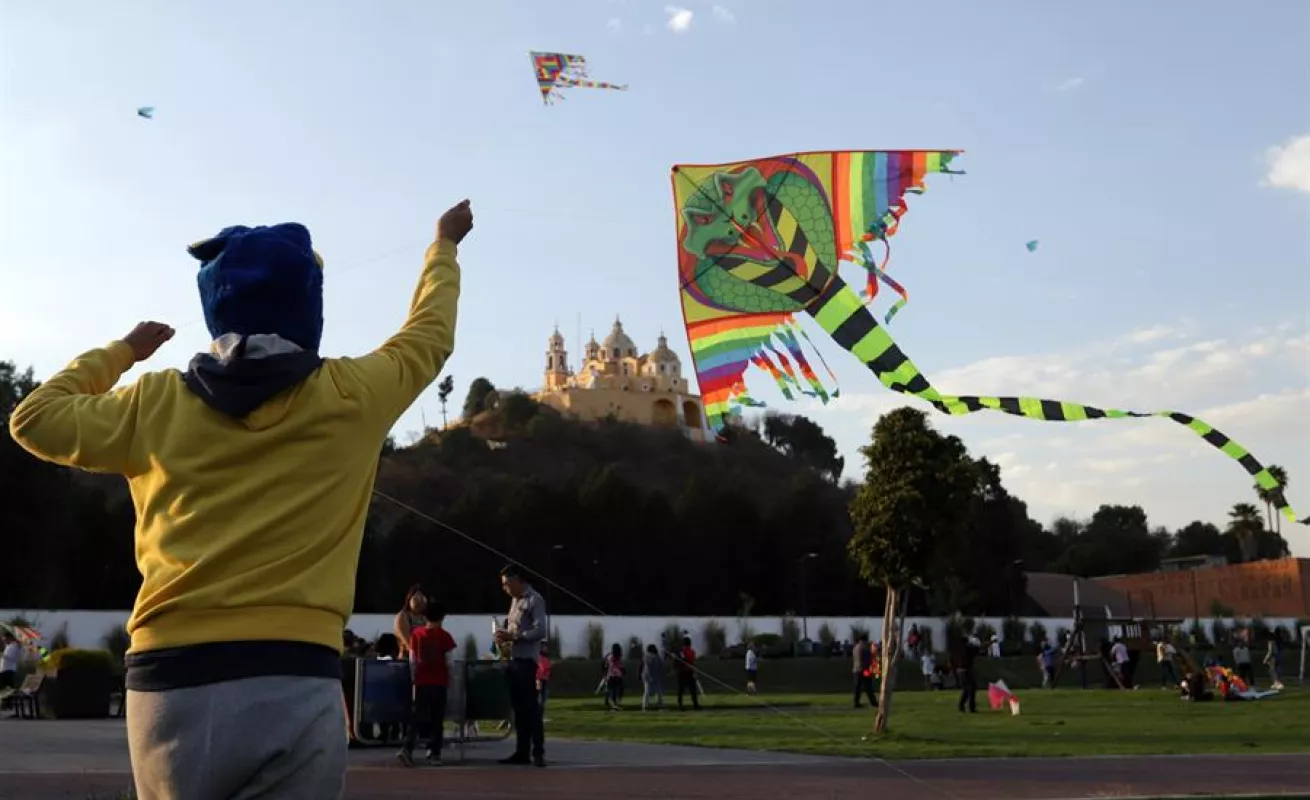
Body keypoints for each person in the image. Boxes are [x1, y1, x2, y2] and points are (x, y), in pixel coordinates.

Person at [7, 201, 472, 800]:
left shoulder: (152, 402)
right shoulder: (352, 394)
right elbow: (428, 336)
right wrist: (444, 247)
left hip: (167, 681)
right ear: (311, 305)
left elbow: (34, 418)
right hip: (293, 673)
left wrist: (122, 351)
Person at [495, 564, 548, 767]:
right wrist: (503, 637)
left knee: (530, 708)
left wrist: (514, 636)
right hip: (513, 660)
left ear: (518, 580)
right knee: (518, 709)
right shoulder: (514, 601)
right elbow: (512, 627)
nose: (505, 588)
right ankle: (522, 751)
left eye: (507, 584)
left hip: (527, 661)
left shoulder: (535, 600)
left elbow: (540, 630)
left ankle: (538, 751)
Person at [398, 601, 456, 767]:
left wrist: (414, 679)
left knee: (416, 717)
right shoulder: (445, 637)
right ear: (443, 618)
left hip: (422, 682)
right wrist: (450, 679)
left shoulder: (416, 634)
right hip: (439, 682)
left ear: (424, 616)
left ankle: (407, 748)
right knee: (437, 720)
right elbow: (450, 662)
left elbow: (412, 661)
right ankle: (434, 753)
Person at [395, 586, 428, 661]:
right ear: (409, 599)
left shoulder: (425, 618)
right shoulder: (403, 616)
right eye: (416, 598)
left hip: (424, 659)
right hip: (407, 658)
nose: (419, 602)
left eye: (422, 599)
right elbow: (408, 642)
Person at [675, 636, 700, 711]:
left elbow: (680, 661)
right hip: (689, 672)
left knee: (681, 690)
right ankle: (695, 704)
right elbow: (687, 661)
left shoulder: (682, 651)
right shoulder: (692, 651)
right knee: (692, 690)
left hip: (683, 672)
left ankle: (680, 705)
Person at [956, 634, 980, 713]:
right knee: (972, 688)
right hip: (966, 670)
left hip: (960, 670)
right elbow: (977, 650)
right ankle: (971, 708)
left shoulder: (960, 649)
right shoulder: (969, 649)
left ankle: (961, 706)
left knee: (966, 689)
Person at [852, 635, 876, 709]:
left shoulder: (855, 647)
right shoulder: (865, 647)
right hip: (864, 669)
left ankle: (856, 702)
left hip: (856, 669)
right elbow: (867, 659)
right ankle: (873, 702)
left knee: (857, 687)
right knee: (868, 686)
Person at [641, 643, 665, 710]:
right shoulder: (648, 657)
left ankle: (659, 704)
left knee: (657, 691)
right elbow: (648, 668)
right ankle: (645, 705)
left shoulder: (655, 657)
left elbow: (660, 666)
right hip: (648, 677)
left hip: (654, 676)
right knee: (648, 691)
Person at [603, 643, 625, 710]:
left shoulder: (609, 656)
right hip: (617, 676)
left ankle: (613, 703)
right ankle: (616, 704)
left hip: (611, 676)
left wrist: (604, 675)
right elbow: (621, 667)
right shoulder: (618, 657)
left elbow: (605, 666)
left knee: (612, 691)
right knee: (618, 690)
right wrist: (623, 671)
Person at [536, 643, 552, 719]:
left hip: (544, 679)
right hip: (539, 679)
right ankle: (538, 716)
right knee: (540, 698)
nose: (546, 649)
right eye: (545, 647)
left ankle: (541, 716)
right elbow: (543, 668)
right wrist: (550, 666)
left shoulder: (545, 658)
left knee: (543, 699)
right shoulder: (540, 657)